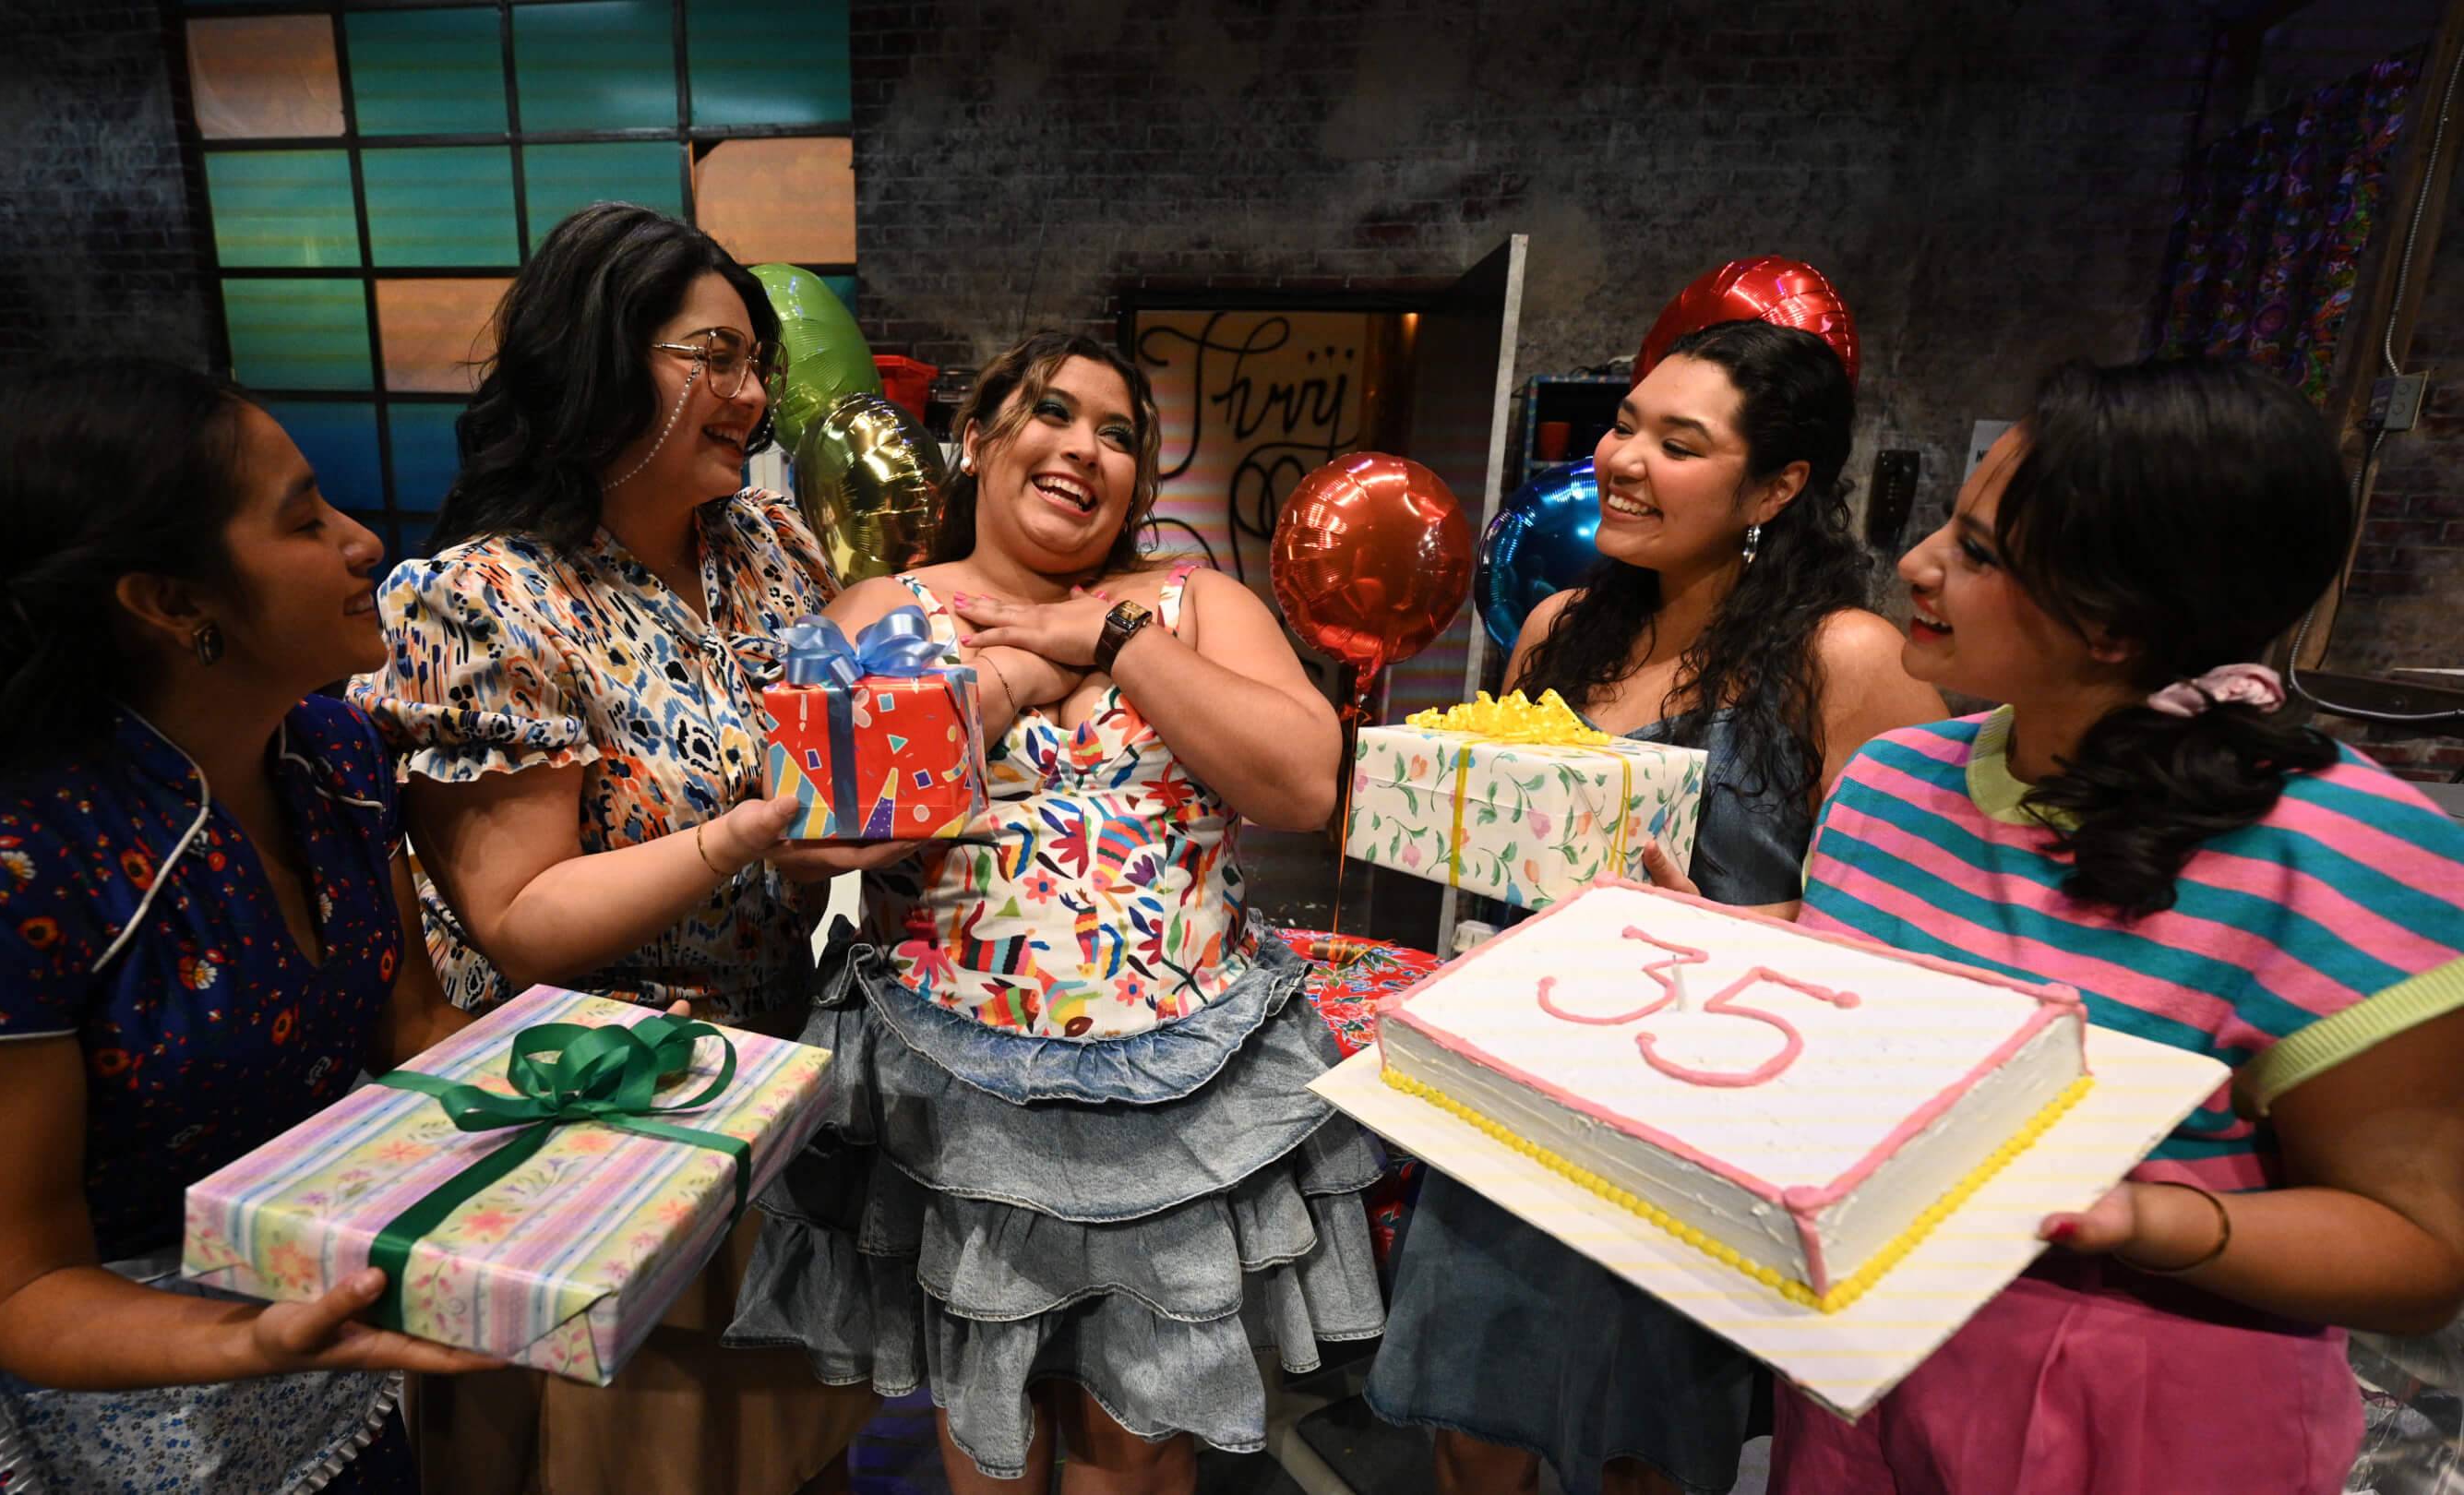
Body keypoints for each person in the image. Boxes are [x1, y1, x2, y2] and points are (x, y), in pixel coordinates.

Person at [1775, 358, 2464, 1493]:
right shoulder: (1891, 783)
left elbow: (2419, 1251)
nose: (1916, 565)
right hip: (1857, 1382)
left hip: (2143, 1408)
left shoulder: (2345, 854)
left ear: (2113, 619)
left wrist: (2145, 1218)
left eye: (1981, 552)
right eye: (1952, 523)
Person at [0, 359, 496, 1495]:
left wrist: (587, 1083)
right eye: (305, 520)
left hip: (298, 1324)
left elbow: (411, 1028)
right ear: (171, 603)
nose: (364, 540)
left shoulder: (335, 756)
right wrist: (244, 1340)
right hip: (77, 1391)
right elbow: (27, 1290)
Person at [724, 329, 1384, 1493]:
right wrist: (999, 689)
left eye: (1120, 434)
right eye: (1054, 413)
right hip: (961, 1097)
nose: (1087, 448)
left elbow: (1299, 781)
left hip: (1179, 1094)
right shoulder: (887, 606)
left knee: (1138, 1447)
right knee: (995, 1438)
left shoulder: (1191, 603)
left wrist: (1119, 646)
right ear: (976, 441)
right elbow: (803, 834)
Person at [1365, 319, 1944, 1495]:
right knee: (1473, 1433)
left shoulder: (1849, 658)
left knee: (1640, 1451)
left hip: (1701, 1135)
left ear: (1778, 485)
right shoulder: (1554, 632)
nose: (1626, 459)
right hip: (1516, 1099)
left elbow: (1911, 945)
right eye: (1627, 425)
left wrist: (1723, 935)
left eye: (1680, 443)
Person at [348, 201, 873, 1495]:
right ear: (598, 353)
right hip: (578, 1121)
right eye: (715, 356)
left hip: (752, 1079)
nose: (752, 395)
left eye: (759, 363)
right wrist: (752, 831)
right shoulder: (484, 598)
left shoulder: (765, 547)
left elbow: (809, 775)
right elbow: (517, 915)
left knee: (782, 1458)